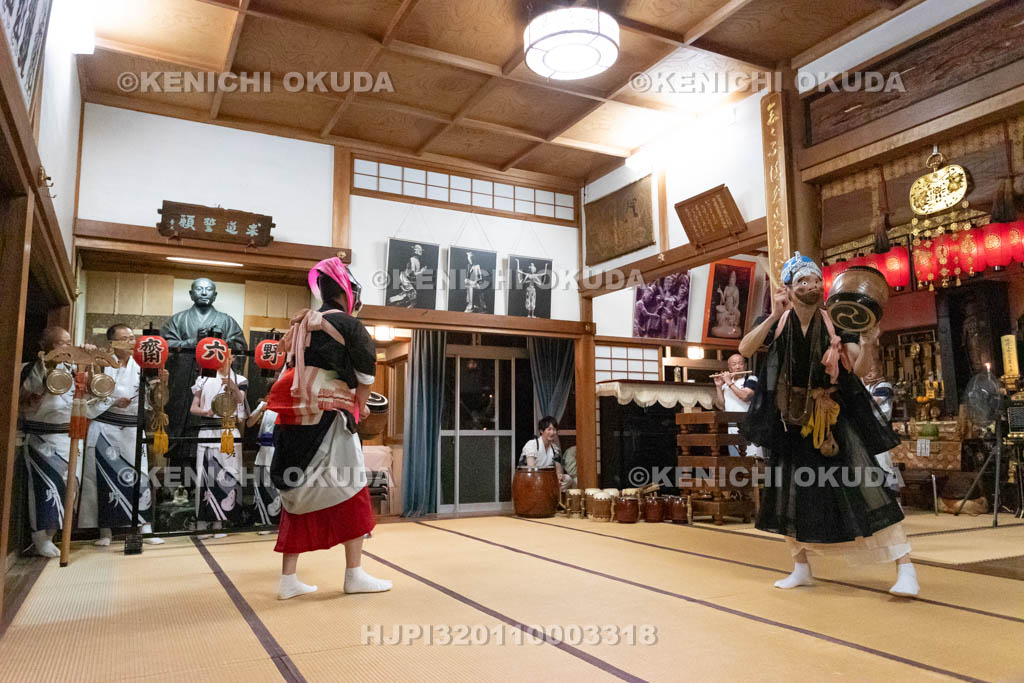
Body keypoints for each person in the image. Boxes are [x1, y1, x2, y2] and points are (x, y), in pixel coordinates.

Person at [738, 252, 918, 597]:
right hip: (790, 421)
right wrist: (774, 314)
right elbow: (746, 347)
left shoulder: (837, 320)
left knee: (867, 485)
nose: (811, 286)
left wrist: (866, 344)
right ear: (788, 288)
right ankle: (801, 567)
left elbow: (860, 369)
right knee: (788, 493)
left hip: (834, 417)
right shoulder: (777, 321)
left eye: (816, 280)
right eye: (802, 281)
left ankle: (905, 566)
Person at [267, 257, 391, 600]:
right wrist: (358, 405)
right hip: (330, 420)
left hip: (292, 419)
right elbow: (366, 375)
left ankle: (288, 580)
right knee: (353, 491)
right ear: (348, 292)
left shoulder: (302, 324)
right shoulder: (350, 325)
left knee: (296, 495)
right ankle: (355, 574)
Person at [80, 324, 164, 546]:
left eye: (131, 338)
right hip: (105, 427)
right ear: (112, 342)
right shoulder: (100, 363)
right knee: (101, 477)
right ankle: (104, 531)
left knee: (140, 476)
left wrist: (159, 383)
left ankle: (144, 526)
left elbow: (154, 401)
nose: (130, 342)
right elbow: (89, 394)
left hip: (132, 429)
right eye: (124, 339)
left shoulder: (143, 365)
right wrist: (112, 401)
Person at [161, 278, 246, 458]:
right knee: (181, 428)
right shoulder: (178, 320)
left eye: (209, 290)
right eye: (199, 289)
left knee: (213, 421)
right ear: (191, 294)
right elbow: (165, 347)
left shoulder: (227, 321)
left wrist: (219, 343)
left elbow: (240, 349)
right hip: (184, 384)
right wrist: (195, 343)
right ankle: (179, 481)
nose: (204, 292)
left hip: (215, 384)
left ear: (215, 295)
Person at [19, 327, 78, 557]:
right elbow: (25, 397)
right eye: (60, 343)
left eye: (69, 342)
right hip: (41, 437)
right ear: (46, 346)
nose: (66, 347)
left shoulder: (73, 371)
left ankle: (54, 535)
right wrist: (46, 369)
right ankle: (40, 537)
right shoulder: (28, 369)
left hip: (68, 436)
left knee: (68, 487)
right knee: (46, 487)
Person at [190, 350, 248, 538]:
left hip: (228, 430)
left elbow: (241, 402)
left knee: (227, 473)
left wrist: (233, 387)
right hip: (208, 428)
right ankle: (202, 520)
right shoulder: (204, 379)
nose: (223, 361)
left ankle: (220, 521)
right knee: (204, 475)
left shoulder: (240, 379)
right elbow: (194, 407)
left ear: (232, 358)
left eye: (226, 357)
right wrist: (204, 412)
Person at [859, 328, 904, 495]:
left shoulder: (884, 386)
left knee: (885, 461)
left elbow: (872, 404)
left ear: (880, 370)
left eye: (873, 370)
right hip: (868, 428)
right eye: (867, 370)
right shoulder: (865, 386)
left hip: (880, 427)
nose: (870, 374)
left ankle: (895, 491)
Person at [712, 353, 761, 458]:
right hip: (732, 427)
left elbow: (745, 396)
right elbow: (721, 406)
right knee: (736, 462)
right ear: (730, 368)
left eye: (741, 364)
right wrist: (719, 386)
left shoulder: (751, 378)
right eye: (734, 364)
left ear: (745, 366)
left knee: (752, 461)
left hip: (748, 427)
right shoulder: (726, 384)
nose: (738, 367)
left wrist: (729, 383)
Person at [246, 397, 282, 533]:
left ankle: (276, 523)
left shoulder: (284, 407)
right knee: (261, 487)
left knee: (275, 488)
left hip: (277, 449)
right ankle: (264, 521)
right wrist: (260, 409)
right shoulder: (264, 407)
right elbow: (249, 423)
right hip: (263, 450)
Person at [519, 416, 566, 488]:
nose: (552, 432)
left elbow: (559, 469)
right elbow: (531, 469)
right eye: (549, 429)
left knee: (568, 479)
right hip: (530, 479)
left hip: (546, 479)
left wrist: (559, 476)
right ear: (541, 431)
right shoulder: (532, 444)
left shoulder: (555, 448)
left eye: (554, 429)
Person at [712, 270, 743, 338]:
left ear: (735, 280)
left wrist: (734, 308)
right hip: (726, 306)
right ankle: (722, 327)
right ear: (729, 280)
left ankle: (733, 326)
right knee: (718, 308)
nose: (731, 281)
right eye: (730, 280)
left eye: (733, 280)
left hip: (732, 307)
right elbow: (723, 300)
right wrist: (720, 292)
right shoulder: (727, 288)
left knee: (738, 313)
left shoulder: (736, 289)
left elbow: (737, 301)